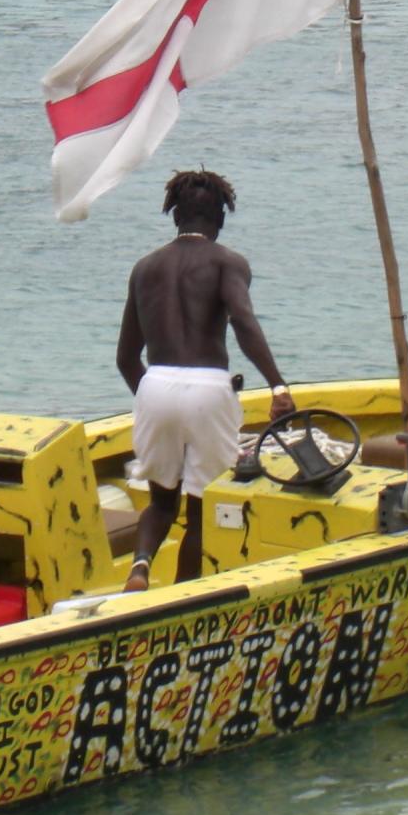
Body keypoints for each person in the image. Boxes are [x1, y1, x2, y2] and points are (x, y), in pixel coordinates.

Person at [116, 168, 294, 590]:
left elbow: (126, 358)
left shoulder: (144, 269)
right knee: (200, 508)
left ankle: (140, 567)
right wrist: (278, 385)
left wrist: (152, 397)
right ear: (221, 218)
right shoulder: (228, 262)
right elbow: (243, 322)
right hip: (210, 388)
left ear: (175, 215)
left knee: (161, 500)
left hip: (154, 384)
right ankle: (182, 596)